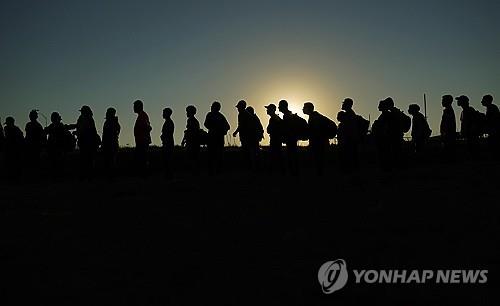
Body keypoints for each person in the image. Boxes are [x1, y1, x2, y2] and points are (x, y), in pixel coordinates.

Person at [302, 102, 335, 175]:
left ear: (309, 108)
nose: (303, 109)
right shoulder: (315, 116)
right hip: (320, 143)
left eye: (304, 107)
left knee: (319, 163)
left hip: (319, 144)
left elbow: (315, 132)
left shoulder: (315, 118)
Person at [45, 112, 75, 178]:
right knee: (56, 164)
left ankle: (58, 176)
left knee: (58, 164)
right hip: (55, 149)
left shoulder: (57, 127)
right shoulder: (53, 127)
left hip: (59, 149)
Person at [75, 105, 100, 180]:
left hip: (88, 143)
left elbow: (86, 130)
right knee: (86, 160)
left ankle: (88, 176)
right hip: (86, 143)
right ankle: (87, 175)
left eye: (82, 111)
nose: (81, 113)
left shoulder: (87, 119)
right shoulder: (86, 119)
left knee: (87, 160)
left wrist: (78, 132)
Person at [204, 101, 230, 174]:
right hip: (214, 138)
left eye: (212, 106)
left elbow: (227, 126)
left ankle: (216, 170)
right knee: (214, 155)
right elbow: (206, 124)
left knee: (215, 155)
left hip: (216, 138)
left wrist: (221, 130)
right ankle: (214, 170)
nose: (211, 107)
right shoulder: (219, 116)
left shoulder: (214, 115)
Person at [278, 100, 302, 175]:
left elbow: (288, 128)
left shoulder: (287, 115)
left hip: (291, 139)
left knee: (291, 156)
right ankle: (294, 173)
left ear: (283, 107)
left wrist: (285, 136)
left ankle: (293, 173)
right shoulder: (288, 114)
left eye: (280, 106)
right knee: (293, 156)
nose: (278, 108)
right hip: (292, 139)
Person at [133, 100, 152, 176]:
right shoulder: (142, 115)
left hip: (142, 141)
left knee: (142, 158)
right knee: (142, 158)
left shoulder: (143, 116)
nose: (133, 108)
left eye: (134, 106)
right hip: (141, 140)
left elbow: (147, 127)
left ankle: (144, 174)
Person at [232, 100, 253, 169]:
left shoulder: (242, 114)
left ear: (242, 107)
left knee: (246, 151)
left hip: (246, 136)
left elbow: (241, 125)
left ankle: (248, 167)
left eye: (238, 107)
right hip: (247, 136)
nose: (237, 108)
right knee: (247, 151)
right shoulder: (246, 114)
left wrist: (235, 132)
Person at [265, 103, 284, 174]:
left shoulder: (274, 118)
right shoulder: (275, 118)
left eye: (268, 109)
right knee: (276, 155)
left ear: (272, 110)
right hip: (276, 139)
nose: (267, 110)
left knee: (275, 155)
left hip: (275, 139)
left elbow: (271, 129)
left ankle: (276, 171)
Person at [182, 105, 201, 174]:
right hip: (193, 142)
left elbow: (190, 131)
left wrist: (184, 140)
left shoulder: (191, 121)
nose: (186, 113)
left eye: (187, 112)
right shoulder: (193, 121)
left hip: (192, 142)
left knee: (192, 158)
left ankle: (193, 173)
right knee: (194, 159)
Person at [102, 107, 121, 177]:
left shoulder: (110, 122)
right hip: (111, 144)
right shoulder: (114, 122)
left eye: (107, 112)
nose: (106, 113)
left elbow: (108, 135)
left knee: (110, 161)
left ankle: (111, 176)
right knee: (111, 161)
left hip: (110, 145)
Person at [246, 106, 264, 170]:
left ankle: (255, 167)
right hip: (254, 138)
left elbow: (260, 128)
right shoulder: (254, 118)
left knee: (254, 153)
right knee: (255, 152)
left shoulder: (253, 118)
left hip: (254, 138)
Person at [440, 95, 457, 160]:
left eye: (443, 100)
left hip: (448, 135)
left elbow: (447, 124)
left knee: (448, 151)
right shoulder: (448, 110)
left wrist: (444, 133)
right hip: (448, 134)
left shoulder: (448, 111)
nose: (442, 102)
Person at [161, 107, 175, 178]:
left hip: (168, 143)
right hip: (167, 143)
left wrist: (163, 137)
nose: (162, 114)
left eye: (164, 113)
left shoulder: (169, 122)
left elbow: (168, 133)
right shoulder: (168, 122)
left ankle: (169, 175)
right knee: (167, 160)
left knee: (168, 160)